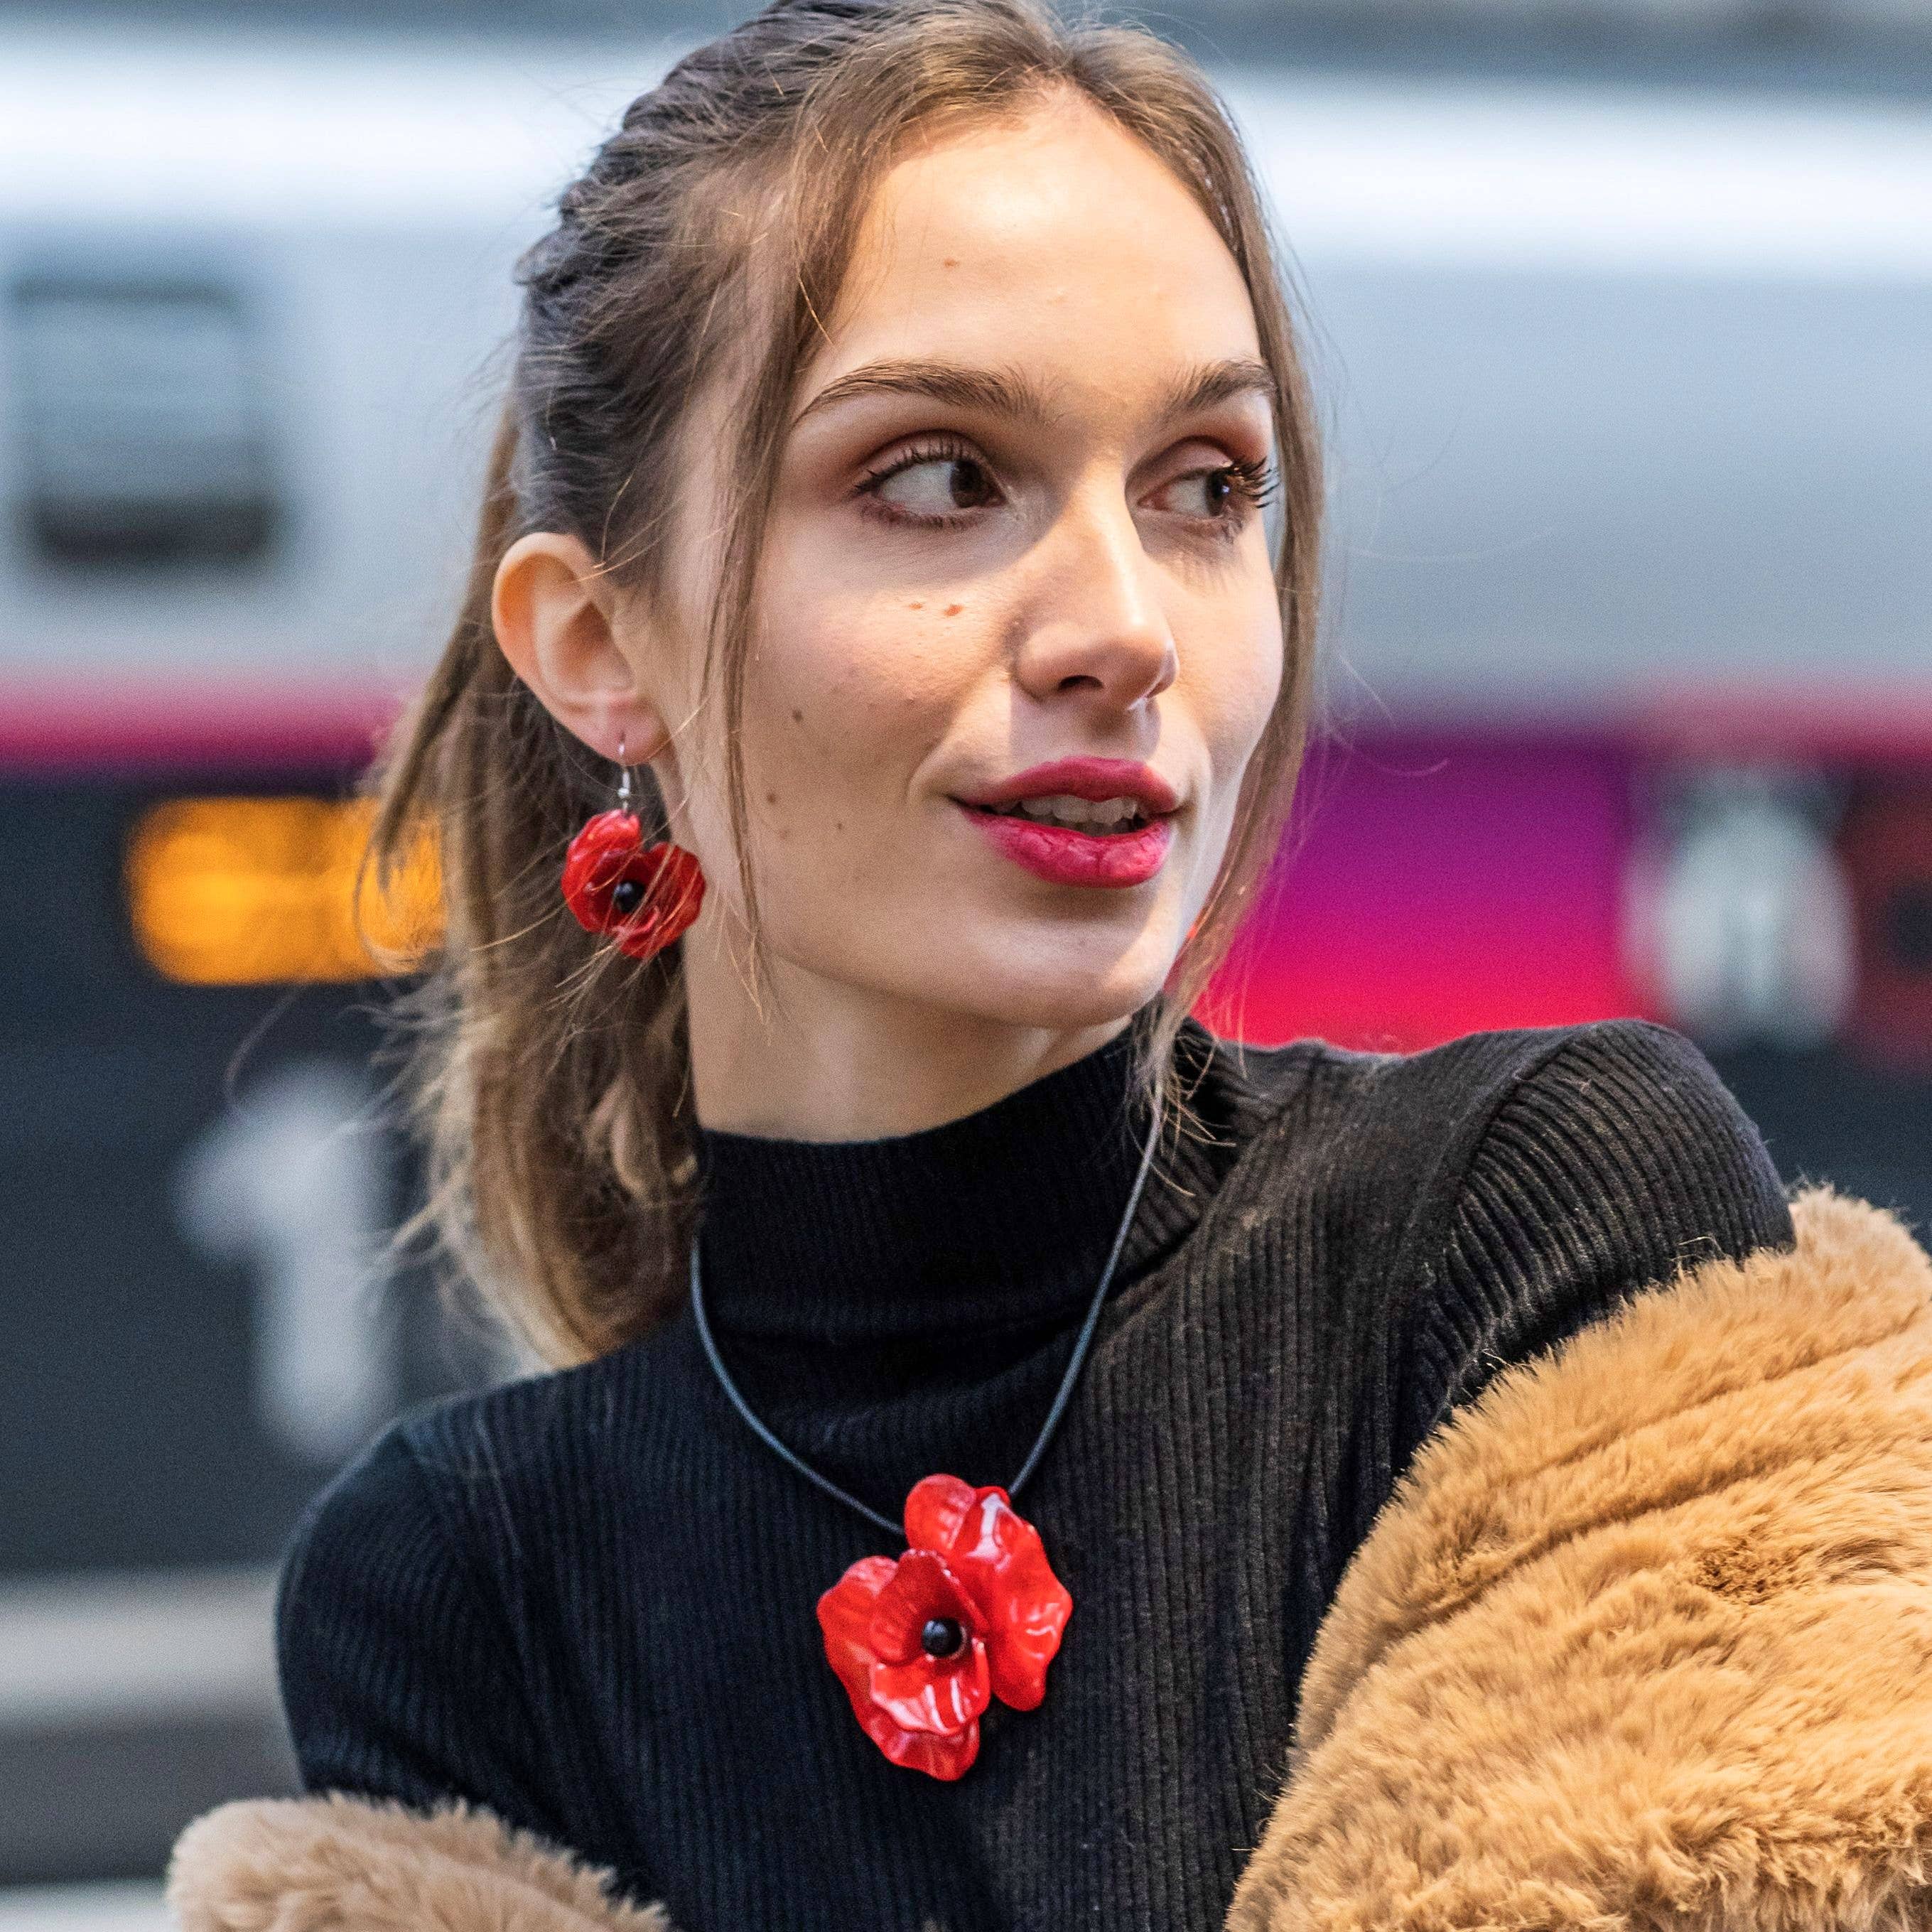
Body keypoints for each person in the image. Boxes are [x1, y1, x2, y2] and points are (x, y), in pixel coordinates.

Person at [166, 1, 1932, 1928]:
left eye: (1204, 489)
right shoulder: (462, 1585)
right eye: (935, 478)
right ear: (603, 645)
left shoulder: (1534, 1224)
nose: (1123, 627)